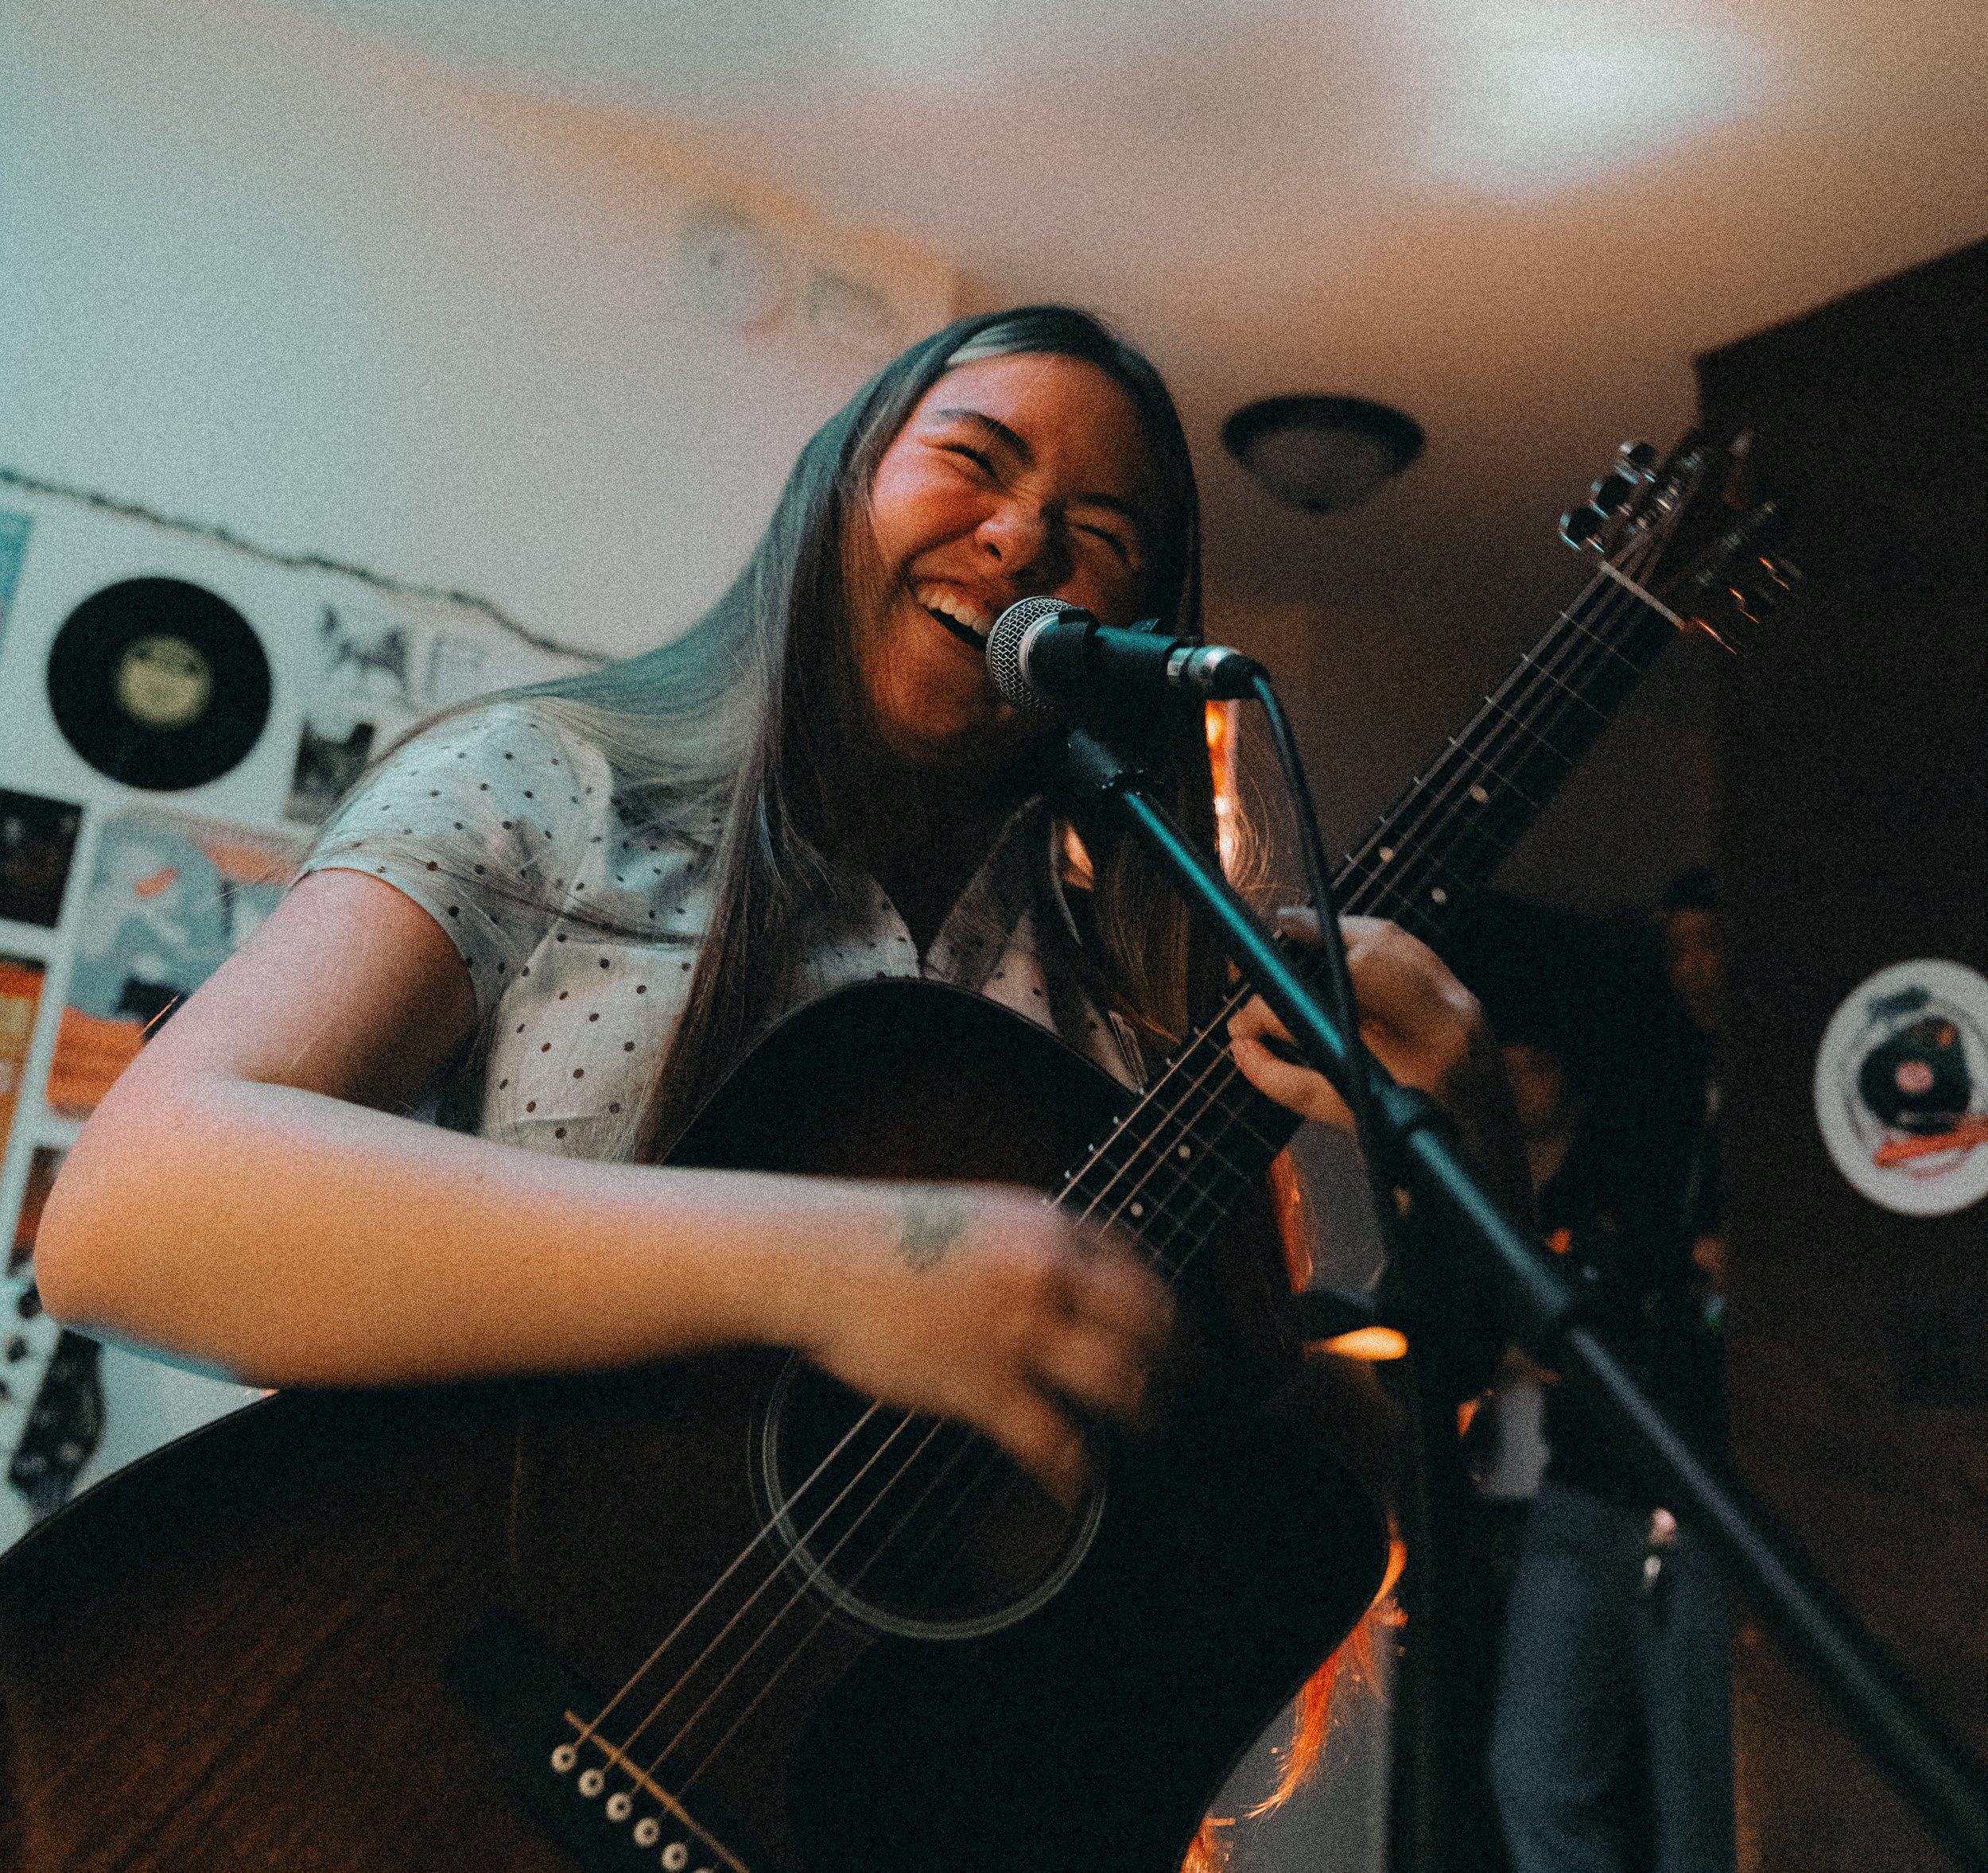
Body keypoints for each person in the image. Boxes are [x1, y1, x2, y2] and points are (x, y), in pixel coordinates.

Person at [34, 305, 1506, 1522]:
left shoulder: (1136, 1010)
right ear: (842, 482)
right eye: (974, 460)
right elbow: (130, 1216)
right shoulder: (544, 785)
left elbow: (1303, 1505)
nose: (1020, 540)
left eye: (1100, 532)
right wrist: (847, 1266)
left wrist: (1468, 1169)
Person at [1486, 882, 1734, 1873]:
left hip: (1706, 1488)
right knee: (1533, 1772)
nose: (1695, 970)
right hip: (1586, 1479)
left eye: (1712, 943)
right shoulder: (1642, 1104)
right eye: (1676, 948)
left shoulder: (1790, 1097)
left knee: (1700, 1804)